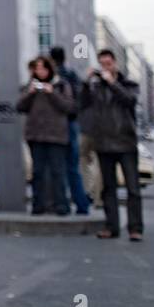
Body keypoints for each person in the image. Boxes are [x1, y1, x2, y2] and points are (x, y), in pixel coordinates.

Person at [78, 49, 143, 240]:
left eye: (109, 63)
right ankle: (111, 226)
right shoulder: (96, 88)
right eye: (102, 64)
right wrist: (85, 82)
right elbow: (81, 104)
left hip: (126, 141)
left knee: (132, 188)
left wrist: (112, 83)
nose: (105, 67)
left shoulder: (128, 84)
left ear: (115, 64)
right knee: (108, 188)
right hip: (104, 142)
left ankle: (135, 228)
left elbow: (129, 100)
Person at [17, 55, 74, 215]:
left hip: (56, 136)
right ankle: (38, 205)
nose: (40, 71)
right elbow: (20, 106)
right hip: (35, 135)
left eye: (43, 68)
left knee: (58, 172)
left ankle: (61, 205)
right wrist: (31, 93)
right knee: (37, 172)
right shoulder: (30, 85)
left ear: (49, 69)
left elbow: (69, 107)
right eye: (37, 68)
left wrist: (52, 93)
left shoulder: (61, 84)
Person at [50, 45, 90, 215]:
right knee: (73, 167)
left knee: (56, 167)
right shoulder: (72, 75)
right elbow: (80, 99)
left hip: (56, 125)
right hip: (72, 123)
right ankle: (82, 205)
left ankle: (61, 204)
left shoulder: (54, 78)